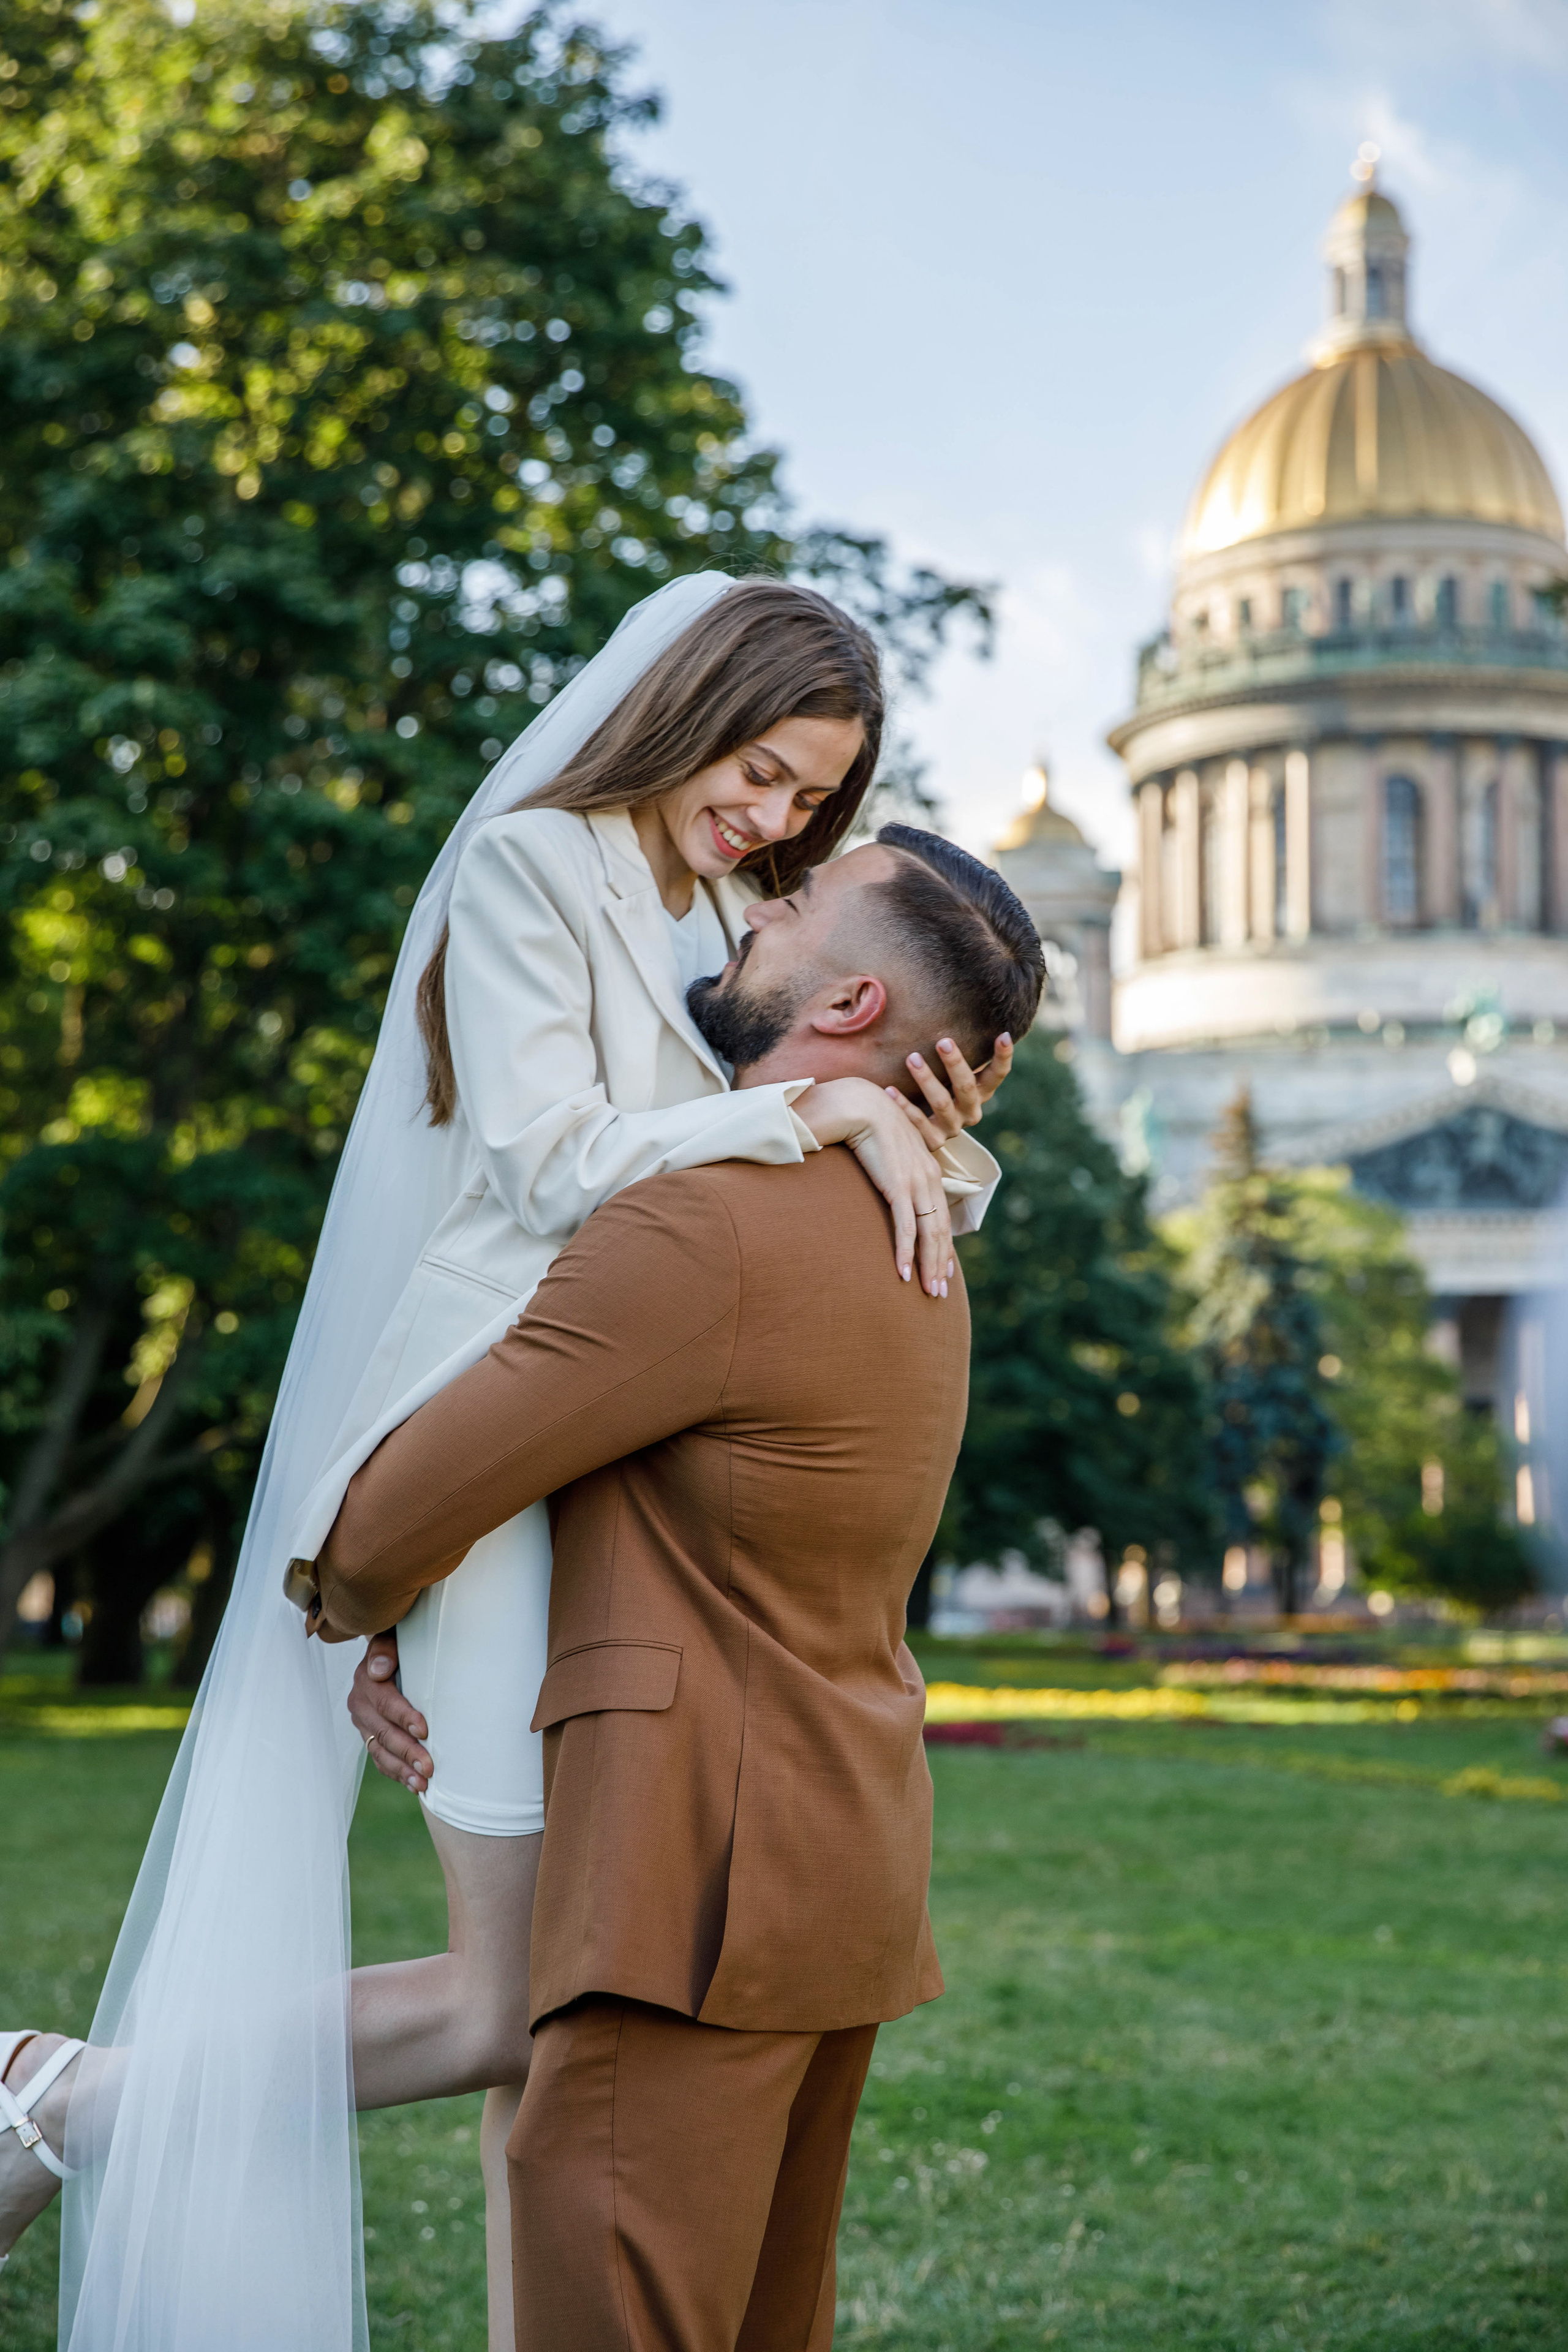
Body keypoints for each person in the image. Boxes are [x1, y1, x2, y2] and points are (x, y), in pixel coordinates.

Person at [0, 575, 1009, 2352]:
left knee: (539, 2021)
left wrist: (915, 1123)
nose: (776, 824)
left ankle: (64, 2102)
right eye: (766, 773)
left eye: (810, 805)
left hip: (617, 1453)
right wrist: (811, 1108)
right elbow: (552, 1163)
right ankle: (60, 2102)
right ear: (697, 703)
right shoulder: (534, 867)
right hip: (505, 1431)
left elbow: (806, 1132)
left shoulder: (728, 907)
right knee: (513, 2009)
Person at [307, 827, 1046, 2349]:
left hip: (687, 1894)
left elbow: (390, 1513)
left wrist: (369, 1604)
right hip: (832, 1864)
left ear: (845, 1006)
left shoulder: (708, 1222)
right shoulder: (910, 1226)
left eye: (793, 906)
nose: (753, 907)